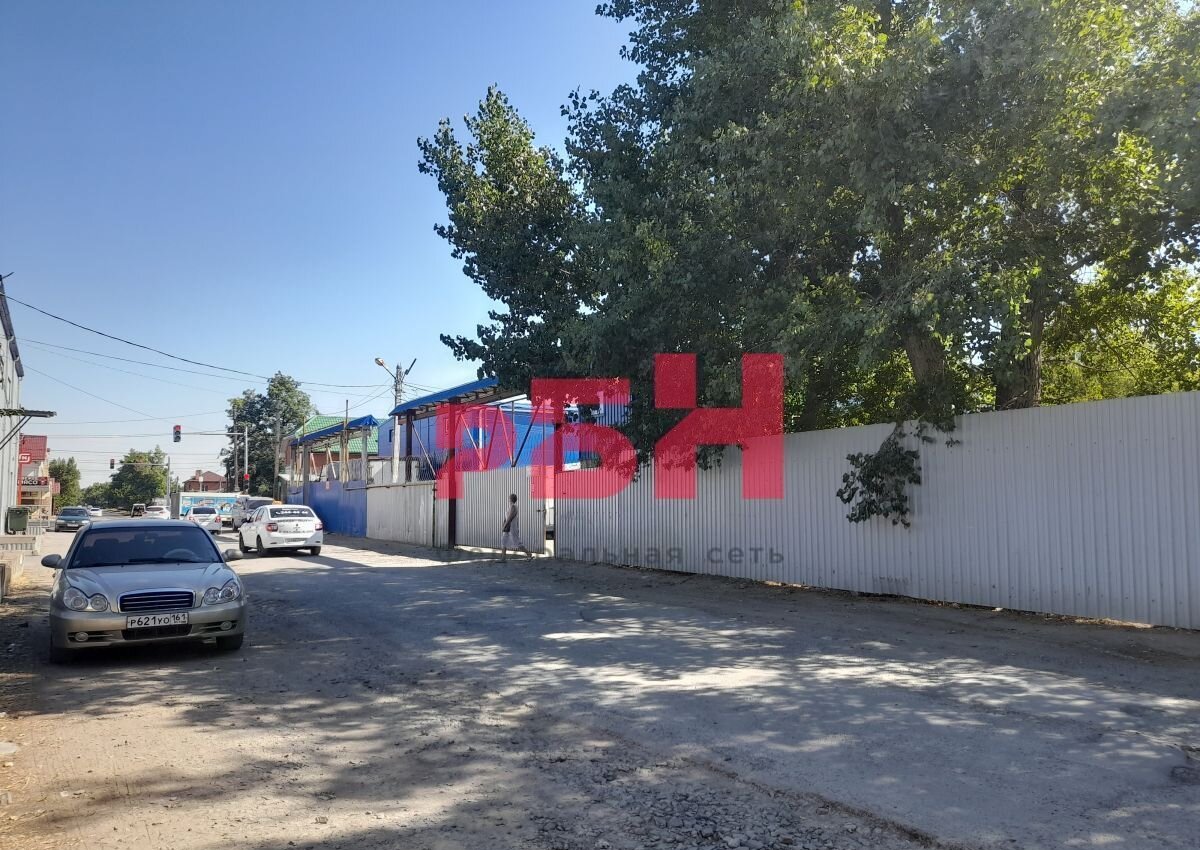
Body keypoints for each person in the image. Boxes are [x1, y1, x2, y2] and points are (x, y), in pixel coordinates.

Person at [499, 493, 532, 562]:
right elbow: (506, 517)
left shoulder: (513, 507)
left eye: (509, 497)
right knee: (504, 541)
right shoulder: (510, 507)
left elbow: (510, 517)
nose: (509, 499)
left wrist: (504, 525)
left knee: (517, 542)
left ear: (511, 499)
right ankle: (503, 558)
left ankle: (529, 554)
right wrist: (504, 524)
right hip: (508, 528)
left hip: (512, 528)